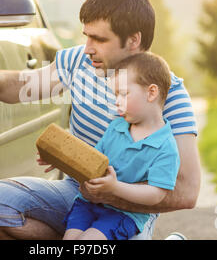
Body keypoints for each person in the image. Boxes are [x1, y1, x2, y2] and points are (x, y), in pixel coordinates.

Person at [0, 0, 201, 240]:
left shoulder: (169, 94)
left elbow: (187, 191)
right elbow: (25, 86)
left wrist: (113, 193)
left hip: (130, 211)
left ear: (134, 40)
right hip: (77, 193)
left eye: (99, 39)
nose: (88, 47)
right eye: (87, 36)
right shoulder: (80, 61)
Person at [63, 52, 180, 240]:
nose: (117, 101)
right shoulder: (116, 127)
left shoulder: (165, 146)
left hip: (123, 213)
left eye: (124, 93)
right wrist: (60, 157)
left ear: (151, 92)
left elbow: (156, 194)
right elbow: (93, 160)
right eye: (115, 94)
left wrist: (115, 188)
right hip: (88, 203)